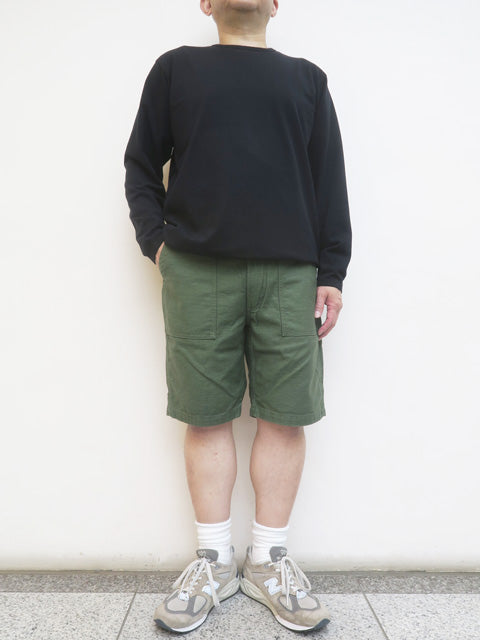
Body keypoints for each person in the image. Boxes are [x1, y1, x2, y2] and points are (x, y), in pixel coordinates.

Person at [123, 0, 352, 634]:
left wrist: (332, 271)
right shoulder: (175, 70)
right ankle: (214, 562)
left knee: (286, 413)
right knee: (205, 412)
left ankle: (268, 562)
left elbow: (329, 180)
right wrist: (158, 245)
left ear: (276, 4)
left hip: (291, 274)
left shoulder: (307, 80)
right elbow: (140, 165)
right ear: (205, 3)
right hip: (197, 270)